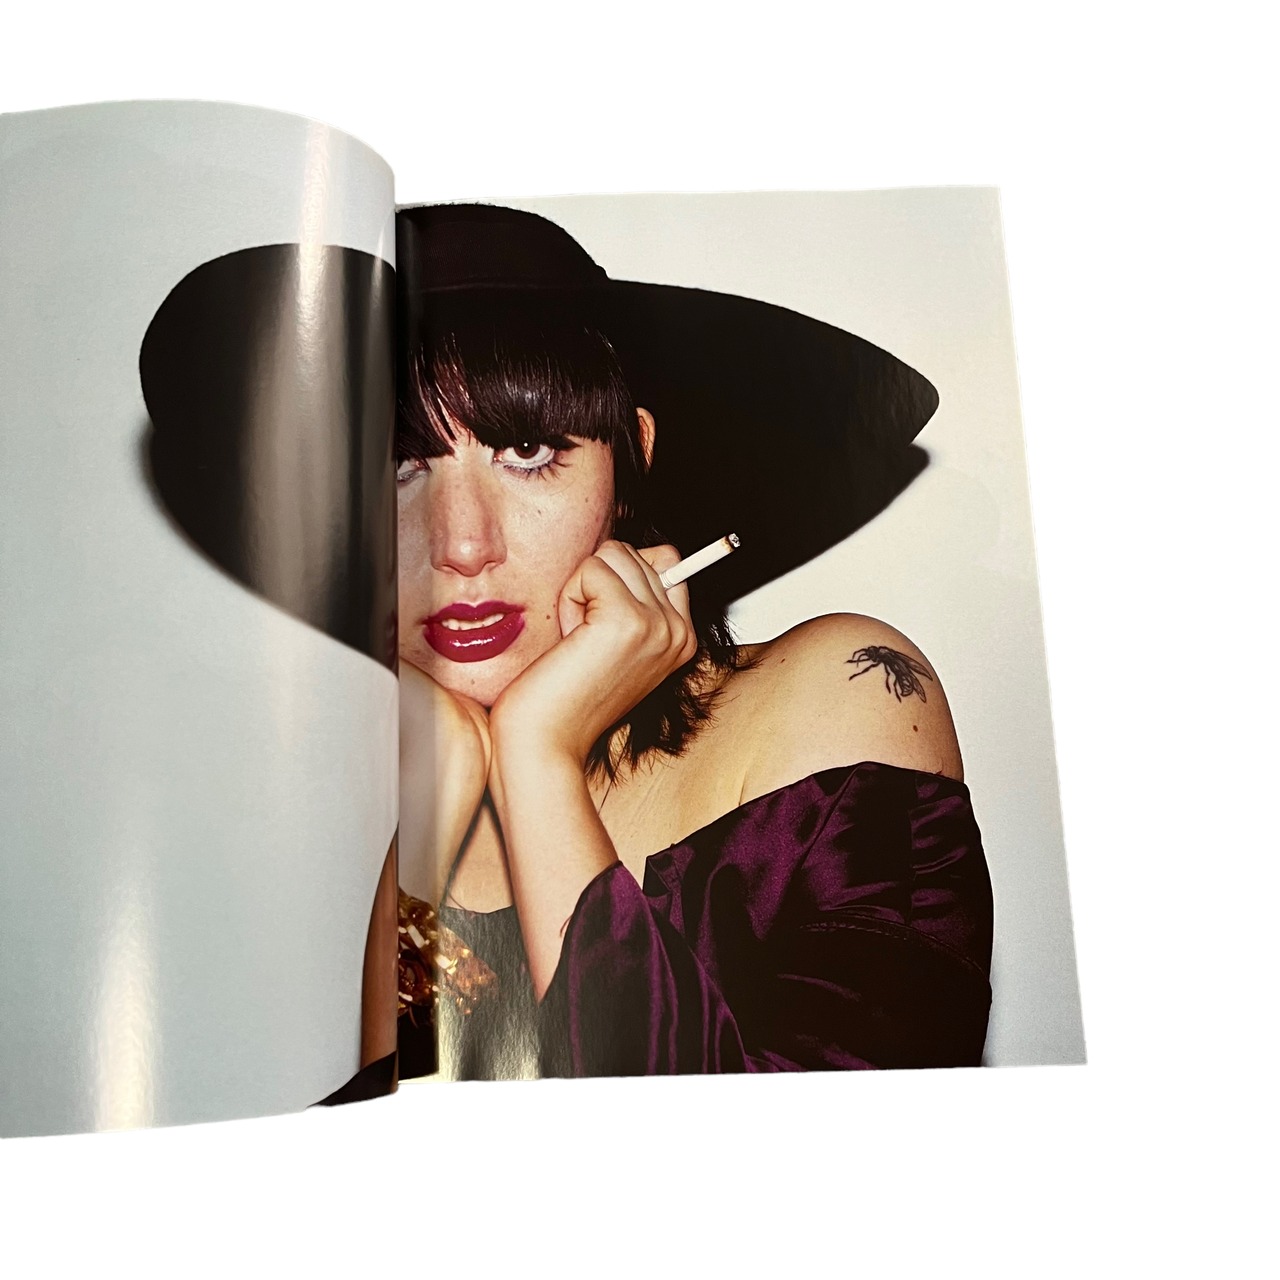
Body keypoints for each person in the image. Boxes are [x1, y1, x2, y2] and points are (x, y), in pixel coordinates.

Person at [395, 204, 994, 1078]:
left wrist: (538, 755)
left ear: (630, 460)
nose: (460, 543)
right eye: (397, 465)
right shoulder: (308, 793)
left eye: (526, 450)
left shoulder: (838, 698)